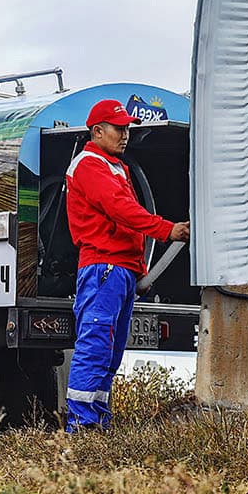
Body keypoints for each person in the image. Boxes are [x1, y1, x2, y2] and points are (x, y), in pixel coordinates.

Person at [64, 98, 190, 431]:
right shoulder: (89, 165)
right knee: (96, 345)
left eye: (127, 129)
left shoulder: (116, 166)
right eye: (118, 128)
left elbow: (125, 214)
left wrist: (139, 270)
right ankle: (82, 424)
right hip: (103, 267)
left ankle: (95, 422)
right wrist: (166, 230)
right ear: (97, 131)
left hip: (117, 270)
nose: (125, 135)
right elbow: (120, 208)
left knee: (109, 350)